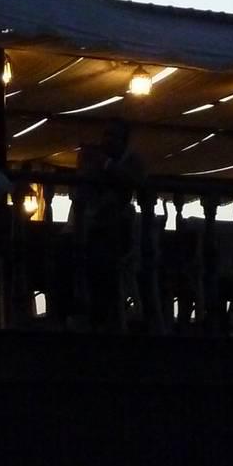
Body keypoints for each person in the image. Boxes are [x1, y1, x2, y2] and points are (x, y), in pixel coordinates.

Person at [72, 120, 147, 328]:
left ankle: (104, 318)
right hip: (92, 229)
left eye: (113, 136)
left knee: (103, 263)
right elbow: (83, 189)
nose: (107, 140)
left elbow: (135, 180)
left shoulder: (131, 160)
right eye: (105, 135)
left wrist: (106, 164)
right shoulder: (95, 157)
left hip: (117, 233)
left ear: (124, 141)